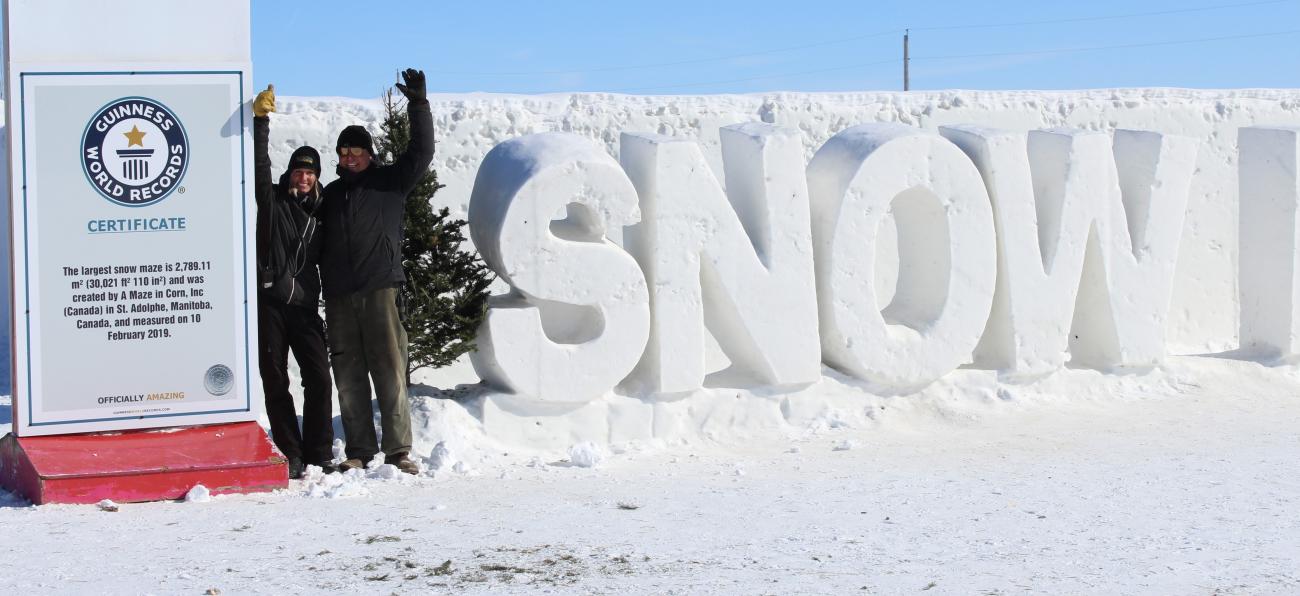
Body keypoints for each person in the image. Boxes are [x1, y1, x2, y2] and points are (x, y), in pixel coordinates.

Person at [319, 68, 433, 475]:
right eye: (343, 153)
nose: (349, 158)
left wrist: (418, 105)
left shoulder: (390, 183)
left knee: (389, 370)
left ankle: (399, 450)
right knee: (348, 377)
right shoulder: (328, 195)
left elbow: (421, 153)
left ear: (369, 154)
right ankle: (359, 449)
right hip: (338, 296)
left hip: (380, 289)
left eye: (356, 152)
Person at [252, 84, 335, 479]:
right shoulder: (272, 201)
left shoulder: (323, 211)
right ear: (290, 173)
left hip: (304, 305)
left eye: (311, 172)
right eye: (299, 171)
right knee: (276, 378)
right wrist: (261, 122)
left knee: (319, 377)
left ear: (318, 178)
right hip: (270, 302)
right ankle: (291, 449)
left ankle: (319, 450)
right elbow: (260, 165)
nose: (304, 177)